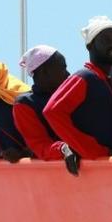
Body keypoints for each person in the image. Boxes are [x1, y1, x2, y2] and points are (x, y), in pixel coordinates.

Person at [44, 16, 112, 159]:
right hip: (94, 169)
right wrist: (90, 150)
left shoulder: (105, 82)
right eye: (106, 40)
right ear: (90, 46)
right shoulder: (85, 77)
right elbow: (52, 111)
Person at [13, 45, 81, 175]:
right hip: (53, 177)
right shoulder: (24, 104)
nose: (68, 74)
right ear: (44, 71)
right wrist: (63, 149)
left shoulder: (70, 94)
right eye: (63, 68)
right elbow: (40, 146)